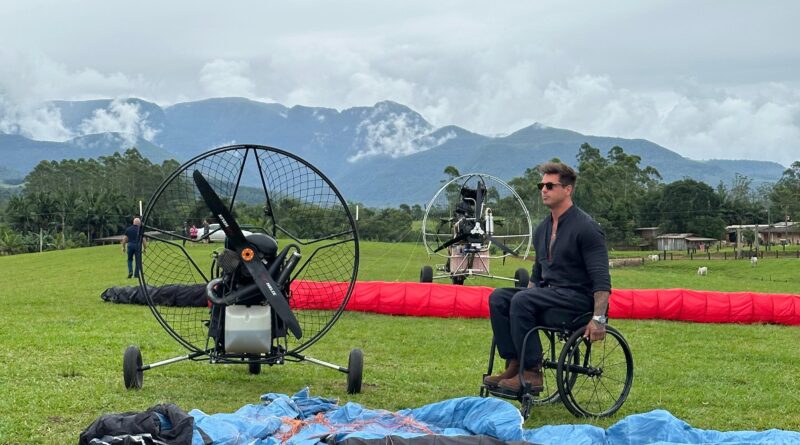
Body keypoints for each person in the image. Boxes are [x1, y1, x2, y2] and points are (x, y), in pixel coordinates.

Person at [483, 162, 611, 393]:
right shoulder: (542, 229)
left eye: (550, 185)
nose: (544, 190)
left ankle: (533, 371)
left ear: (567, 189)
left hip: (578, 299)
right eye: (541, 185)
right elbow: (536, 276)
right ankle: (515, 363)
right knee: (500, 297)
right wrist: (525, 294)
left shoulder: (586, 228)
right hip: (551, 295)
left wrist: (598, 319)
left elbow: (602, 279)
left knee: (523, 300)